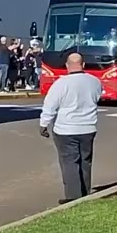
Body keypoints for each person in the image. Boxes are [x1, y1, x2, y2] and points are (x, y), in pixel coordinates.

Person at [38, 52, 102, 204]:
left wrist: (44, 124)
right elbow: (97, 97)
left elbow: (50, 106)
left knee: (69, 162)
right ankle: (85, 192)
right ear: (83, 65)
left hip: (66, 129)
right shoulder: (94, 82)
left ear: (67, 66)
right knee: (85, 161)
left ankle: (74, 196)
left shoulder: (61, 84)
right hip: (88, 127)